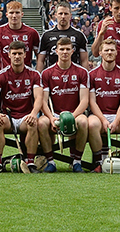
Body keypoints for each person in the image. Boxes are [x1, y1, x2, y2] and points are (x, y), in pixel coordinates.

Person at [0, 40, 44, 173]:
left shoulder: (34, 74)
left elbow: (39, 97)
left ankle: (30, 162)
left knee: (33, 123)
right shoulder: (0, 75)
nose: (17, 56)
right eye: (14, 53)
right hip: (8, 117)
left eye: (20, 53)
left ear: (25, 55)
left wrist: (33, 113)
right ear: (9, 55)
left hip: (26, 116)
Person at [39, 37, 91, 172]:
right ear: (56, 51)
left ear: (73, 51)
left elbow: (85, 100)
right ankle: (50, 162)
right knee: (41, 123)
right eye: (62, 49)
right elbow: (43, 101)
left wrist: (71, 117)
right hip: (54, 113)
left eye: (68, 49)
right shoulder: (46, 73)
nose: (65, 52)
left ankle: (76, 161)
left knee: (84, 122)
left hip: (75, 113)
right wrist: (51, 118)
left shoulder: (82, 72)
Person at [88, 39, 120, 173]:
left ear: (117, 53)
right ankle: (98, 162)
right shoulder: (92, 75)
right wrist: (104, 120)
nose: (109, 52)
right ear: (100, 53)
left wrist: (115, 122)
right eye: (106, 50)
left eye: (112, 50)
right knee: (92, 124)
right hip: (99, 115)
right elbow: (92, 102)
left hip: (118, 116)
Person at [0, 1, 40, 70]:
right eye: (11, 13)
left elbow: (40, 57)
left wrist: (37, 75)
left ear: (22, 14)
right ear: (6, 14)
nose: (14, 16)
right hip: (4, 76)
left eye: (17, 13)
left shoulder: (32, 33)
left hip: (26, 77)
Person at [37, 3, 89, 71]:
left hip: (73, 77)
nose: (63, 16)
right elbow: (41, 60)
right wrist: (39, 77)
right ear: (55, 15)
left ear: (70, 16)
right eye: (60, 13)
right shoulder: (46, 35)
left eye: (66, 14)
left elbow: (84, 61)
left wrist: (85, 77)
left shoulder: (79, 35)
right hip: (52, 76)